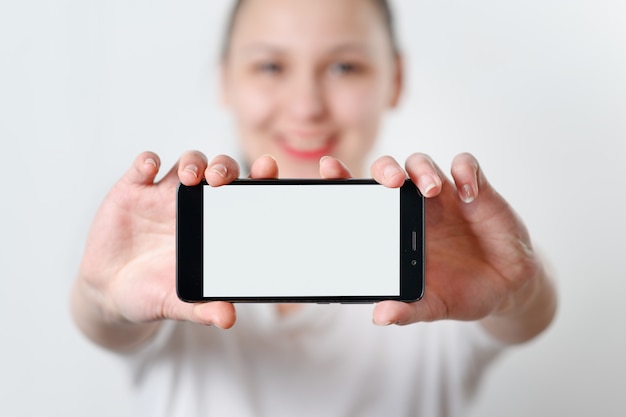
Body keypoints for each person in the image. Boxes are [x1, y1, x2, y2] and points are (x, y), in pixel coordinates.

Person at [71, 0, 557, 416]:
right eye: (270, 66)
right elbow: (108, 325)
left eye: (344, 66)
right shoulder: (168, 248)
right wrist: (101, 298)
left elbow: (524, 313)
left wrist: (520, 289)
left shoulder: (443, 254)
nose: (306, 106)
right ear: (225, 80)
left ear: (395, 78)